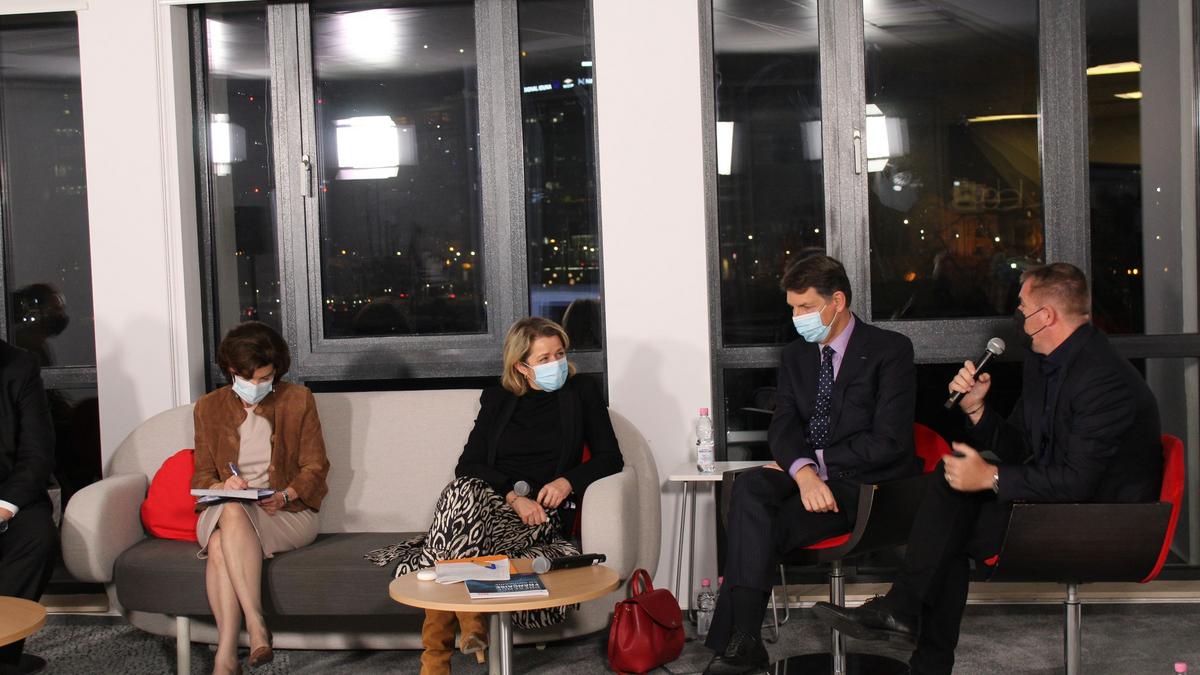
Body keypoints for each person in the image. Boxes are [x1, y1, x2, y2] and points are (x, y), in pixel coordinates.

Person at [813, 262, 1163, 675]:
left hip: (1107, 523)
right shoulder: (1045, 363)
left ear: (1045, 316)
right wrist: (977, 410)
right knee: (948, 495)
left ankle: (906, 619)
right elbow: (1023, 448)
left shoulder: (1103, 379)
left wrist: (992, 477)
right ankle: (911, 631)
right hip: (1064, 504)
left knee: (949, 521)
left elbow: (1078, 482)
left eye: (1022, 307)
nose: (1017, 315)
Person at [366, 317, 624, 675]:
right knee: (462, 490)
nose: (556, 364)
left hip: (540, 518)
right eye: (544, 359)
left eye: (560, 354)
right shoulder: (498, 398)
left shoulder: (581, 391)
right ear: (521, 366)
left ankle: (438, 657)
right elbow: (468, 465)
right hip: (492, 510)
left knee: (448, 541)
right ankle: (463, 629)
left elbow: (610, 457)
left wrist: (567, 481)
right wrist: (513, 496)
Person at [703, 254, 918, 675]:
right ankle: (746, 639)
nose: (797, 317)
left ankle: (741, 642)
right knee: (748, 486)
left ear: (837, 301)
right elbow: (783, 425)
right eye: (793, 308)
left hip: (864, 488)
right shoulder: (796, 356)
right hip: (808, 479)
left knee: (757, 527)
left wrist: (818, 465)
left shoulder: (889, 350)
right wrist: (803, 473)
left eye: (805, 307)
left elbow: (890, 441)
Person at [193, 322, 330, 675]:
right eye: (248, 378)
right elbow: (202, 476)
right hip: (225, 510)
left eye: (265, 378)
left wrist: (286, 494)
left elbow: (315, 467)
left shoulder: (298, 400)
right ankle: (256, 626)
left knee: (221, 544)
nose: (257, 386)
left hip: (284, 512)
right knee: (232, 509)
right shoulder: (208, 408)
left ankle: (225, 655)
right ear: (231, 371)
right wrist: (224, 485)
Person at [0, 340, 56, 674]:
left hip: (7, 494)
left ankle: (2, 655)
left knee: (36, 537)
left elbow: (37, 451)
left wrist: (4, 507)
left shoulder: (18, 365)